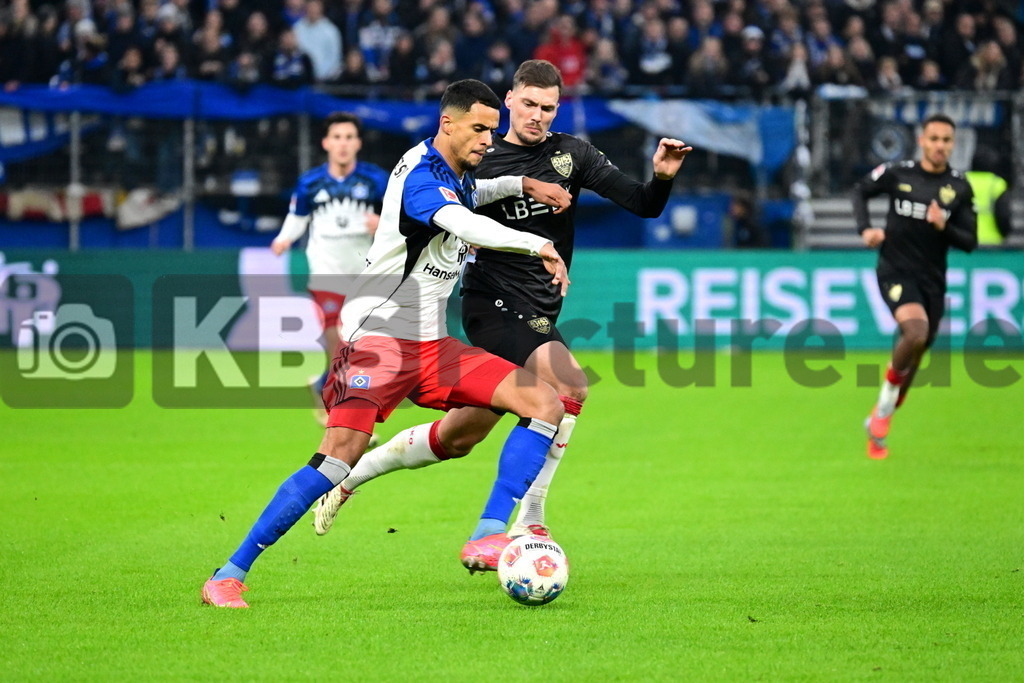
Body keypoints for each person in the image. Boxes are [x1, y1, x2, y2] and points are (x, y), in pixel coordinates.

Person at [201, 78, 574, 608]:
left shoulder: (456, 170)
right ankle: (229, 573)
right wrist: (537, 242)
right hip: (378, 343)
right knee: (336, 459)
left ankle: (490, 531)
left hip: (432, 346)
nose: (488, 140)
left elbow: (474, 194)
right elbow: (459, 218)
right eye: (479, 129)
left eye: (493, 130)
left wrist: (521, 185)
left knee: (543, 402)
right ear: (447, 122)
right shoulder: (422, 175)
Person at [313, 59, 691, 573]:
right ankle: (527, 519)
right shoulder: (477, 154)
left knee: (459, 436)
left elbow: (644, 205)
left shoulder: (572, 154)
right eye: (529, 104)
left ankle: (352, 478)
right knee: (569, 386)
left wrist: (663, 178)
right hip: (488, 303)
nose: (537, 116)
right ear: (509, 100)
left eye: (549, 108)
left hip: (538, 309)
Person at [853, 113, 977, 460]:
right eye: (934, 139)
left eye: (946, 140)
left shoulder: (960, 187)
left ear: (953, 144)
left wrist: (944, 227)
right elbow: (860, 191)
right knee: (916, 332)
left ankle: (880, 416)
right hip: (895, 270)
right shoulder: (898, 172)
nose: (940, 146)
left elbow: (970, 241)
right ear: (922, 140)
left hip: (932, 280)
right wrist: (866, 229)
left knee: (917, 353)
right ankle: (883, 407)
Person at [271, 112, 389, 428]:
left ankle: (323, 384)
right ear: (326, 142)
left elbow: (399, 216)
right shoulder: (310, 182)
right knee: (338, 339)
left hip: (363, 273)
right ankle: (338, 409)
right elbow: (298, 217)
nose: (343, 144)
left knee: (357, 344)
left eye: (349, 137)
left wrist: (383, 223)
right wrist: (283, 239)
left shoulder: (376, 180)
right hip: (325, 272)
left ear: (358, 143)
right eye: (337, 137)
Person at [965, 145, 1012, 246]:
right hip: (992, 244)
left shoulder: (961, 181)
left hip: (964, 243)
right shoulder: (997, 184)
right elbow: (1003, 216)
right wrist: (1005, 235)